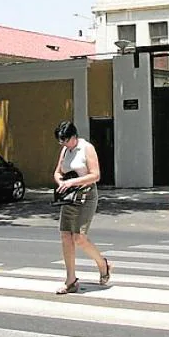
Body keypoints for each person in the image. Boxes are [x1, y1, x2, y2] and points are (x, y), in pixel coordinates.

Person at [52, 120, 111, 294]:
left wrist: (72, 182)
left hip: (86, 195)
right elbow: (57, 171)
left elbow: (95, 175)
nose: (63, 144)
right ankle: (71, 280)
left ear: (74, 136)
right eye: (60, 141)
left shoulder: (87, 148)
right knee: (65, 235)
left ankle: (103, 264)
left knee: (79, 237)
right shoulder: (65, 150)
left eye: (65, 140)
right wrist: (61, 182)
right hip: (69, 196)